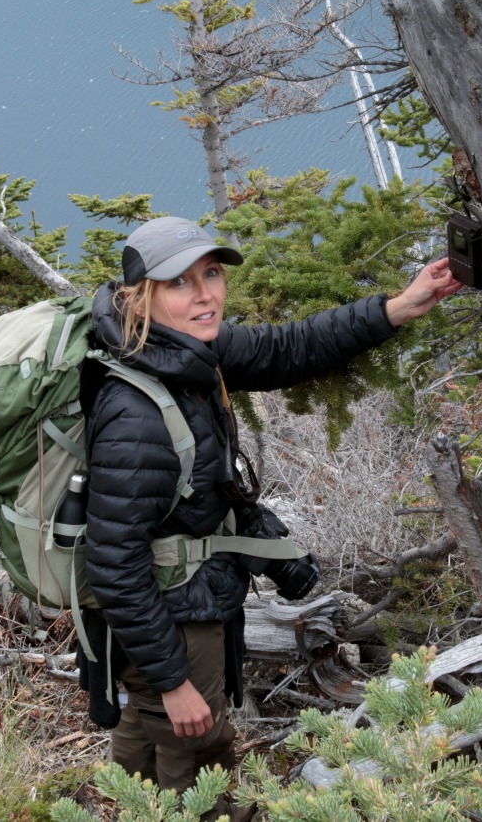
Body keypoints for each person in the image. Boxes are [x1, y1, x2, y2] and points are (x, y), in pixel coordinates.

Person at [76, 216, 460, 817]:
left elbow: (290, 347)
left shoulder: (186, 352)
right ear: (140, 296)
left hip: (186, 600)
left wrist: (398, 308)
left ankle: (122, 804)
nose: (205, 294)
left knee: (151, 730)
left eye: (211, 274)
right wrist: (174, 680)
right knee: (197, 749)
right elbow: (113, 563)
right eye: (180, 282)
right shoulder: (138, 416)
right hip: (169, 613)